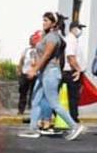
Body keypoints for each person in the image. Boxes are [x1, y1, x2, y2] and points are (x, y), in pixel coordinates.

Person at [19, 12, 83, 140]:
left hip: (51, 73)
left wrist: (34, 69)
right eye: (43, 20)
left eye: (46, 21)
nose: (44, 23)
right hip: (43, 73)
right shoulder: (47, 36)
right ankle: (33, 129)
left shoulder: (53, 37)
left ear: (54, 23)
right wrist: (36, 68)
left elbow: (47, 55)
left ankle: (74, 126)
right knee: (36, 100)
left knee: (54, 103)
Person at [63, 21, 85, 123]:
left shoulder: (74, 40)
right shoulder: (71, 40)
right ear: (73, 28)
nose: (80, 31)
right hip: (71, 72)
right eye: (79, 28)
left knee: (74, 97)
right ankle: (73, 118)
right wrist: (78, 69)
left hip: (72, 71)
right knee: (73, 97)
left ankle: (73, 117)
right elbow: (70, 56)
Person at [18, 31, 41, 116]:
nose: (31, 41)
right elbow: (21, 60)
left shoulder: (39, 51)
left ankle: (32, 109)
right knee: (23, 92)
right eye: (30, 39)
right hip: (25, 73)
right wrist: (20, 70)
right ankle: (21, 109)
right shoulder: (26, 50)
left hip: (35, 74)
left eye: (33, 39)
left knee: (34, 93)